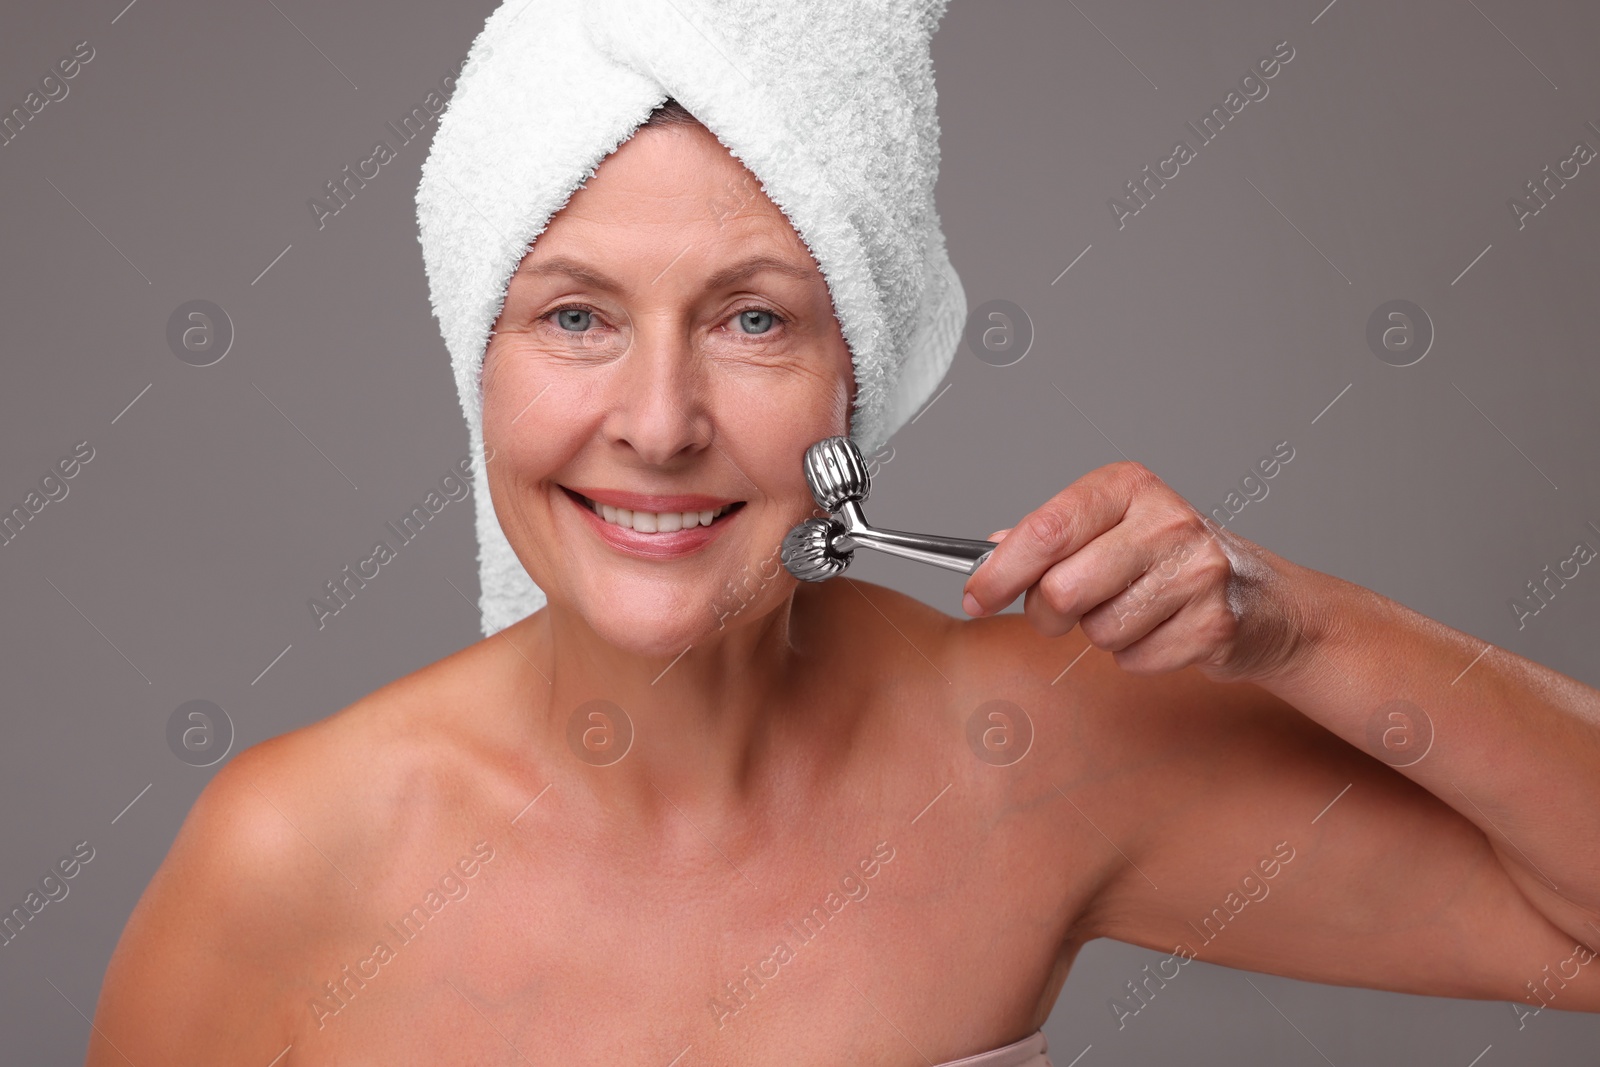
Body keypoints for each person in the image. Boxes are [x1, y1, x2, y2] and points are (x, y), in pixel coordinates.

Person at [87, 89, 1600, 1067]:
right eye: (572, 317)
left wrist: (1295, 623)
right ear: (471, 361)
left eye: (752, 321)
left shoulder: (1029, 749)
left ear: (854, 386)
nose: (662, 422)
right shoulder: (289, 855)